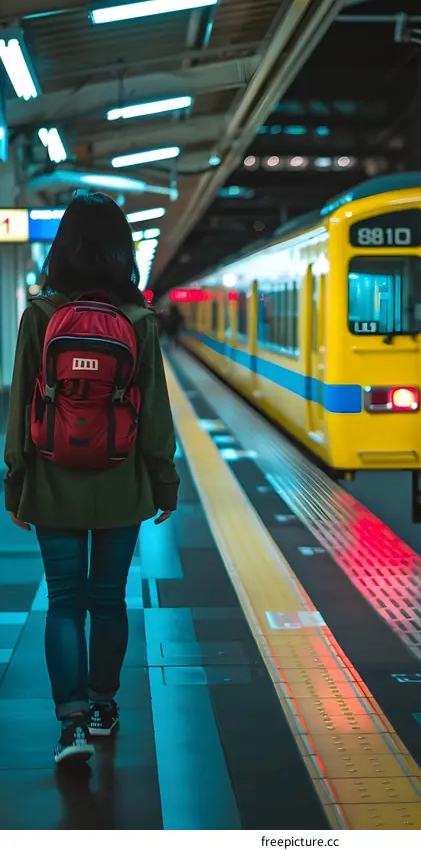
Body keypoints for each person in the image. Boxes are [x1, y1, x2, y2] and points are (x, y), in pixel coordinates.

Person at [3, 191, 180, 765]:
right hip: (121, 483)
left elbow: (19, 412)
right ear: (122, 249)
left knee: (63, 602)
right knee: (108, 601)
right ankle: (104, 706)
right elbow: (154, 412)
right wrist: (164, 480)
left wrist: (14, 481)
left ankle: (71, 723)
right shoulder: (139, 319)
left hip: (52, 481)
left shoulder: (39, 314)